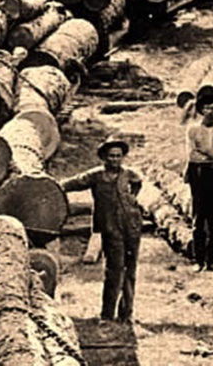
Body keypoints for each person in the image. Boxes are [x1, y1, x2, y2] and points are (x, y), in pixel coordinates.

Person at [61, 137, 142, 323]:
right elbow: (73, 182)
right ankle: (107, 314)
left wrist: (133, 199)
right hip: (110, 228)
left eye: (118, 156)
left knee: (130, 271)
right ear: (104, 157)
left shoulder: (129, 174)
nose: (115, 160)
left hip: (132, 227)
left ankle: (126, 313)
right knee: (114, 271)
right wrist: (51, 185)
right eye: (111, 156)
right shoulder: (96, 175)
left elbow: (138, 183)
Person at [184, 96, 213, 273]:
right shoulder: (193, 129)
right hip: (198, 174)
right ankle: (199, 260)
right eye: (206, 108)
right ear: (200, 110)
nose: (210, 111)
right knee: (199, 216)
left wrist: (208, 152)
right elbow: (192, 155)